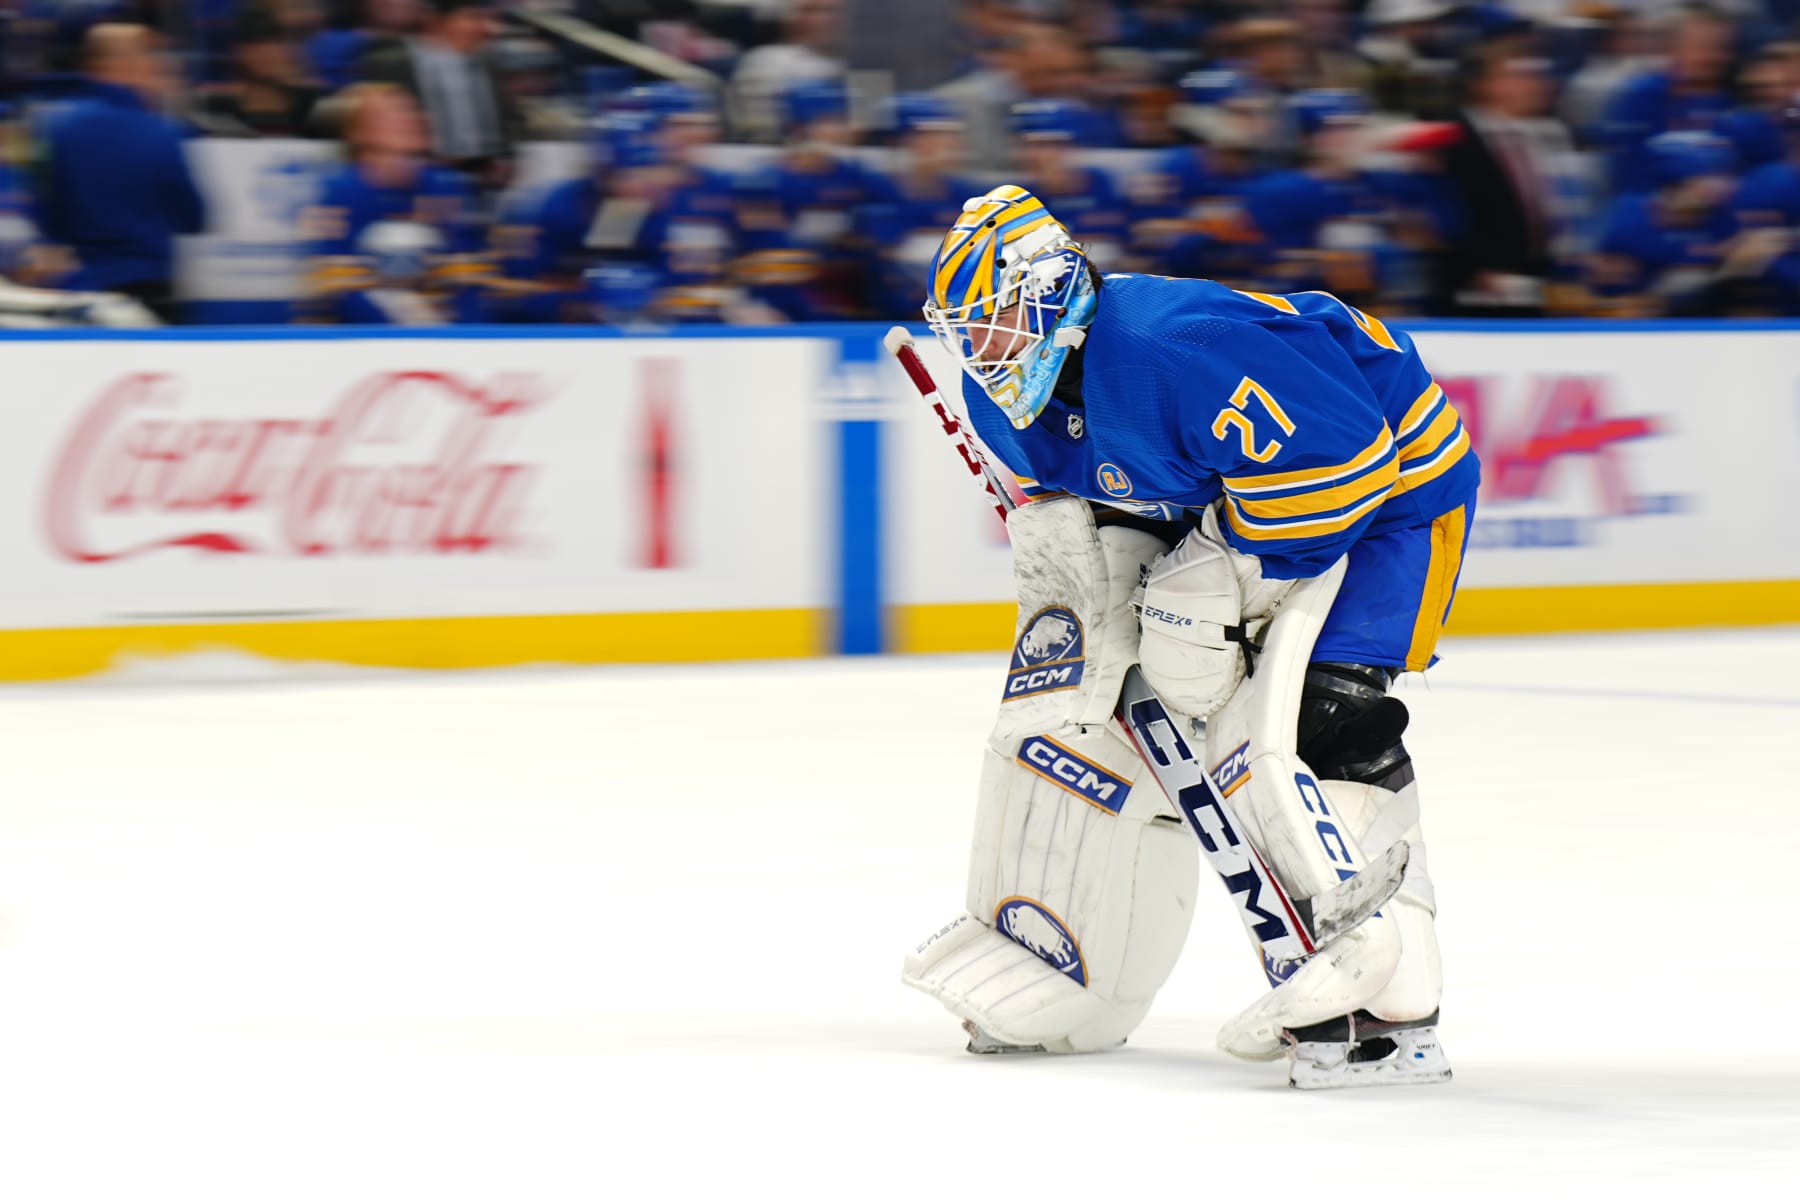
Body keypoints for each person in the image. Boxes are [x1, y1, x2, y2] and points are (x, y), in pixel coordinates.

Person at [900, 184, 1477, 1089]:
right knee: (1098, 704)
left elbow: (1345, 467)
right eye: (966, 331)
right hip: (1235, 497)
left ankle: (1396, 987)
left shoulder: (1179, 343)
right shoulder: (1006, 397)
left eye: (998, 324)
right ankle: (1069, 966)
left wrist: (1213, 581)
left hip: (1393, 499)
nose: (982, 351)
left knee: (1323, 712)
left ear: (1053, 292)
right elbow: (1091, 509)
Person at [31, 22, 206, 321]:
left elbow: (51, 220)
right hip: (149, 294)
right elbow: (193, 217)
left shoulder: (59, 130)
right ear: (126, 65)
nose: (155, 67)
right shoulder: (160, 132)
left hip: (85, 294)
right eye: (150, 58)